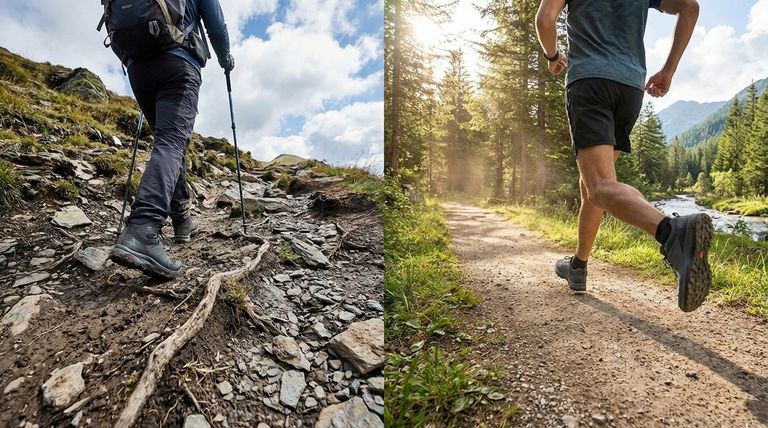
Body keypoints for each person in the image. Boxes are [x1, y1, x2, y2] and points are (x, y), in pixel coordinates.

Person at [535, 0, 713, 312]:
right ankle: (578, 265)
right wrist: (668, 70)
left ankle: (672, 232)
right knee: (594, 183)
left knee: (600, 185)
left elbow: (546, 19)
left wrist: (553, 56)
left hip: (590, 80)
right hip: (630, 87)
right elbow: (690, 6)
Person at [110, 0, 235, 279]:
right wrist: (226, 61)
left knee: (168, 143)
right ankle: (143, 228)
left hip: (138, 69)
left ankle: (182, 220)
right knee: (171, 143)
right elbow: (216, 25)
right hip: (179, 63)